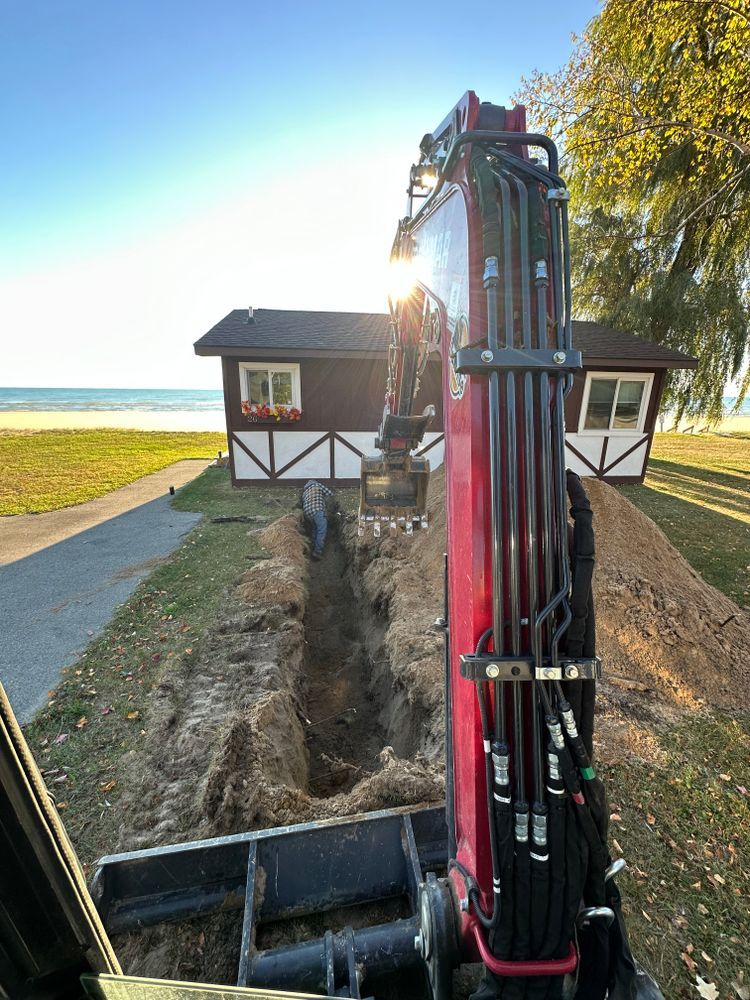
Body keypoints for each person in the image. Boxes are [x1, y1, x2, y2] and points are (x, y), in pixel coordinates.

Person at [301, 479, 334, 560]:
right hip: (317, 510)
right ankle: (317, 552)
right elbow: (330, 494)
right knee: (321, 530)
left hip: (307, 513)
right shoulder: (317, 485)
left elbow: (302, 503)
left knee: (315, 529)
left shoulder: (305, 492)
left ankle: (312, 547)